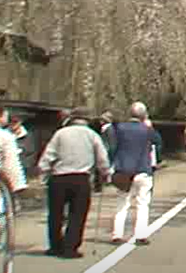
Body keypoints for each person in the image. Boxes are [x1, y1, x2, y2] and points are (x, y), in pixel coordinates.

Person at [40, 111, 110, 258]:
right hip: (81, 178)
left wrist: (44, 171)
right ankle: (70, 247)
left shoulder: (60, 134)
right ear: (87, 120)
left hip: (59, 177)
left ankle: (55, 246)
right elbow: (102, 157)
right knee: (77, 214)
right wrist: (105, 173)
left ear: (72, 119)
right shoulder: (92, 135)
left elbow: (48, 155)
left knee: (55, 214)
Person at [108, 102, 162, 246]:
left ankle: (117, 235)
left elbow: (113, 147)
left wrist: (110, 164)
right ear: (144, 115)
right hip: (143, 169)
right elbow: (157, 141)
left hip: (123, 169)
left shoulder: (120, 128)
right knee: (142, 204)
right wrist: (149, 126)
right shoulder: (147, 130)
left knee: (122, 203)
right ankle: (141, 235)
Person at [8, 113, 38, 177]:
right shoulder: (3, 134)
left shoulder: (29, 136)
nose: (12, 124)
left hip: (21, 172)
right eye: (10, 121)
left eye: (15, 122)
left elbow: (31, 154)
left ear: (20, 122)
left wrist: (24, 168)